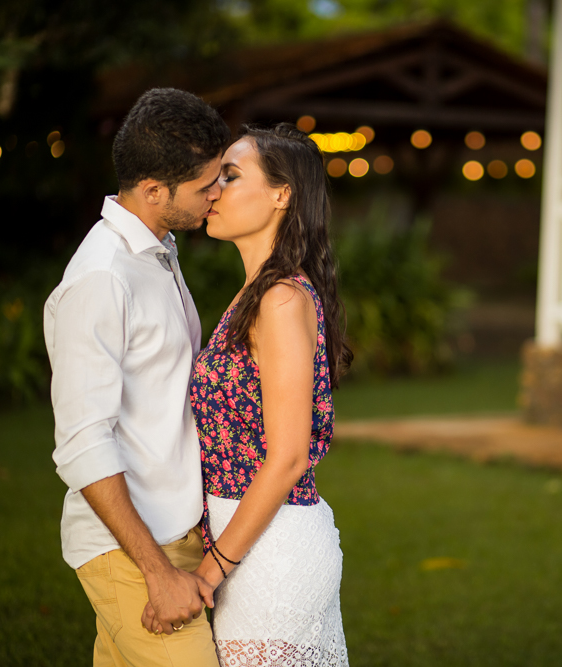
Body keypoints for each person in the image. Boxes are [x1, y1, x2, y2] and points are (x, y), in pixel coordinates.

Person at [43, 87, 230, 667]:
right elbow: (81, 442)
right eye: (207, 185)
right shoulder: (103, 278)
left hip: (173, 530)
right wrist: (156, 569)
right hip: (128, 547)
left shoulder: (160, 250)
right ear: (153, 191)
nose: (218, 193)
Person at [171, 123, 353, 666]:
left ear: (281, 195)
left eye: (230, 175)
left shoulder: (279, 300)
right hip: (246, 539)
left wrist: (210, 570)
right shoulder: (257, 295)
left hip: (269, 553)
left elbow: (290, 454)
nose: (213, 189)